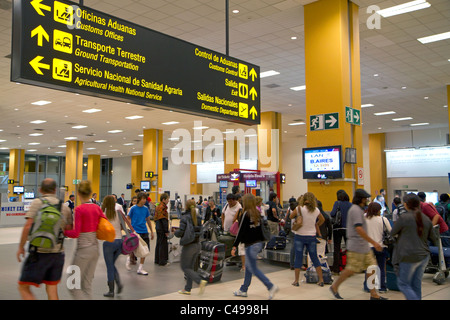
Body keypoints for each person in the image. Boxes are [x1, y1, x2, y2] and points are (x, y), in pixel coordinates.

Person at [17, 178, 72, 300]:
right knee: (52, 289)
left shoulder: (37, 203)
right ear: (55, 190)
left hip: (38, 253)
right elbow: (69, 228)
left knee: (23, 287)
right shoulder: (64, 207)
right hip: (57, 253)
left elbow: (28, 226)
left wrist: (21, 247)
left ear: (40, 190)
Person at [329, 189, 387, 300]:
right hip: (356, 246)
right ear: (361, 199)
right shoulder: (355, 210)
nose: (366, 200)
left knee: (372, 267)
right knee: (350, 270)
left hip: (363, 246)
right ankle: (334, 286)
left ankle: (373, 294)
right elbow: (359, 228)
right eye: (365, 198)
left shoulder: (359, 210)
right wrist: (374, 242)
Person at [391, 193, 439, 300]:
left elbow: (392, 233)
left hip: (408, 256)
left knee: (403, 284)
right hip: (423, 256)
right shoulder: (426, 219)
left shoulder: (404, 218)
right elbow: (434, 239)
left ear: (406, 204)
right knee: (416, 285)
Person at [64, 180, 106, 299]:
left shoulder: (79, 209)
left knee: (72, 285)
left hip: (83, 251)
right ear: (90, 193)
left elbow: (75, 233)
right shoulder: (97, 208)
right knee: (87, 285)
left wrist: (64, 231)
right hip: (95, 249)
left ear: (79, 194)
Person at [232, 193, 279, 299]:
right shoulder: (258, 213)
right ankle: (243, 289)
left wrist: (235, 246)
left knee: (253, 268)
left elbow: (240, 232)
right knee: (249, 268)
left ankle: (270, 286)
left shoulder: (246, 214)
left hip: (250, 244)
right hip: (258, 244)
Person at [290, 192, 325, 287]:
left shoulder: (299, 208)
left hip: (299, 236)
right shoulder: (316, 210)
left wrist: (299, 218)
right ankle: (321, 280)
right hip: (311, 236)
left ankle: (296, 281)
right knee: (314, 258)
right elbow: (322, 220)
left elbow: (290, 216)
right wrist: (316, 224)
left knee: (298, 258)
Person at [175, 199, 207, 295]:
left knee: (185, 267)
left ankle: (200, 281)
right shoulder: (198, 217)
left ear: (186, 206)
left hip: (189, 246)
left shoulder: (185, 217)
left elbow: (180, 232)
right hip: (197, 245)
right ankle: (187, 288)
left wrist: (174, 232)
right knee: (190, 268)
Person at [363, 202, 391, 293]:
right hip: (380, 246)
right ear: (378, 210)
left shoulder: (364, 218)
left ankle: (368, 287)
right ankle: (382, 287)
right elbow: (390, 231)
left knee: (369, 268)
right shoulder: (383, 219)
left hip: (368, 246)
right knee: (381, 268)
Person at [101, 195, 126, 297]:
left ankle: (111, 290)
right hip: (119, 241)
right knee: (112, 264)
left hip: (108, 242)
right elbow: (123, 226)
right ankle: (119, 284)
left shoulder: (103, 213)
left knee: (109, 266)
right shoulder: (119, 213)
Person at [127, 192, 155, 275]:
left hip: (144, 231)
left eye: (145, 199)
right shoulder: (133, 208)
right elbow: (128, 218)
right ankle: (128, 259)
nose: (144, 200)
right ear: (139, 199)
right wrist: (131, 229)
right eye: (143, 199)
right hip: (135, 232)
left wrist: (152, 231)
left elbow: (148, 220)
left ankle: (140, 268)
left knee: (145, 249)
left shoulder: (146, 209)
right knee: (132, 248)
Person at [329, 189, 352, 274]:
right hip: (348, 229)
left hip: (337, 228)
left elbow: (332, 214)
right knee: (349, 249)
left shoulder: (337, 203)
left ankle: (336, 269)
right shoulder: (350, 204)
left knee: (337, 248)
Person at [312, 200, 332, 268]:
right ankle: (322, 268)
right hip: (323, 237)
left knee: (314, 254)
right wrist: (330, 238)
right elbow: (330, 228)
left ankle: (315, 268)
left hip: (314, 236)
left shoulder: (314, 216)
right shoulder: (326, 216)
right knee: (322, 254)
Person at [154, 193, 170, 266]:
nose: (168, 201)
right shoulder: (162, 208)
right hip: (162, 228)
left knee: (158, 243)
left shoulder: (158, 206)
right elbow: (163, 220)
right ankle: (162, 261)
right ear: (164, 199)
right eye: (167, 199)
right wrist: (166, 231)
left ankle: (157, 259)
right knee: (163, 244)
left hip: (158, 227)